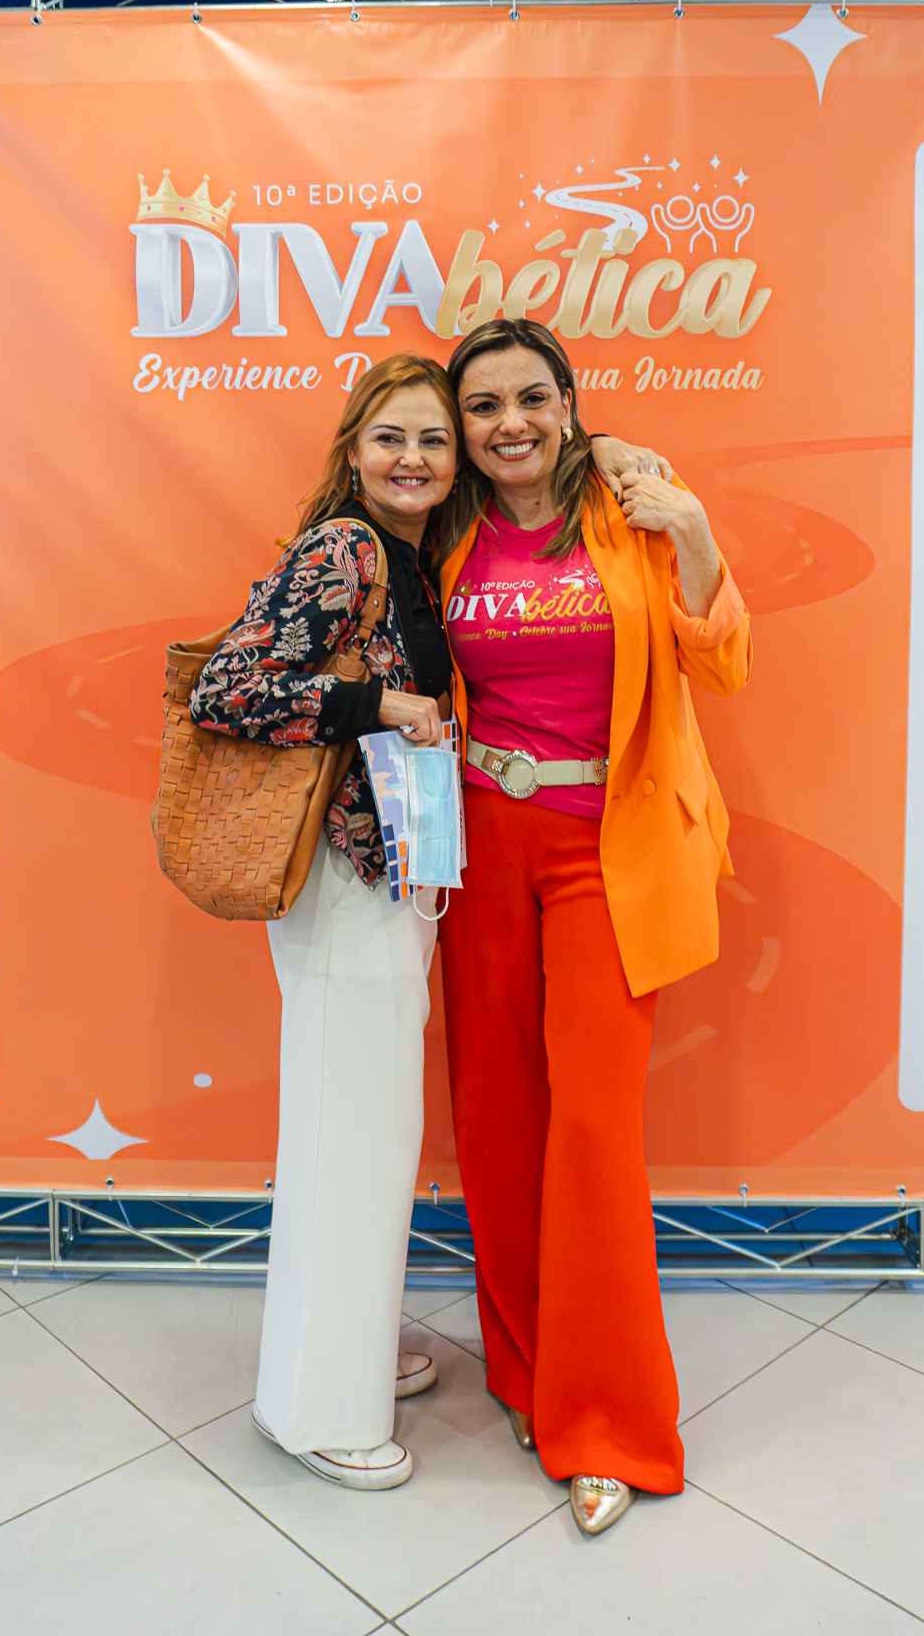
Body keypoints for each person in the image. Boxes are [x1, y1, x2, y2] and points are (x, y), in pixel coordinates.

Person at [188, 351, 663, 1492]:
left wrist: (619, 458)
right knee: (349, 1137)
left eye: (432, 438)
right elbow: (225, 688)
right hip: (346, 880)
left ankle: (347, 1350)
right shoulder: (347, 549)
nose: (414, 457)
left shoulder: (415, 552)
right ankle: (318, 1410)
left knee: (369, 1131)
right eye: (390, 437)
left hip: (399, 876)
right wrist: (378, 703)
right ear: (352, 450)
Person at [436, 317, 752, 1536]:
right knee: (498, 1119)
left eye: (532, 396)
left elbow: (721, 666)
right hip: (479, 848)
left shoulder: (633, 509)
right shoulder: (445, 530)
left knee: (594, 1131)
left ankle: (610, 1419)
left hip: (606, 853)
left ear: (569, 403)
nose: (509, 422)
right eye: (483, 406)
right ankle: (528, 1372)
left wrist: (697, 534)